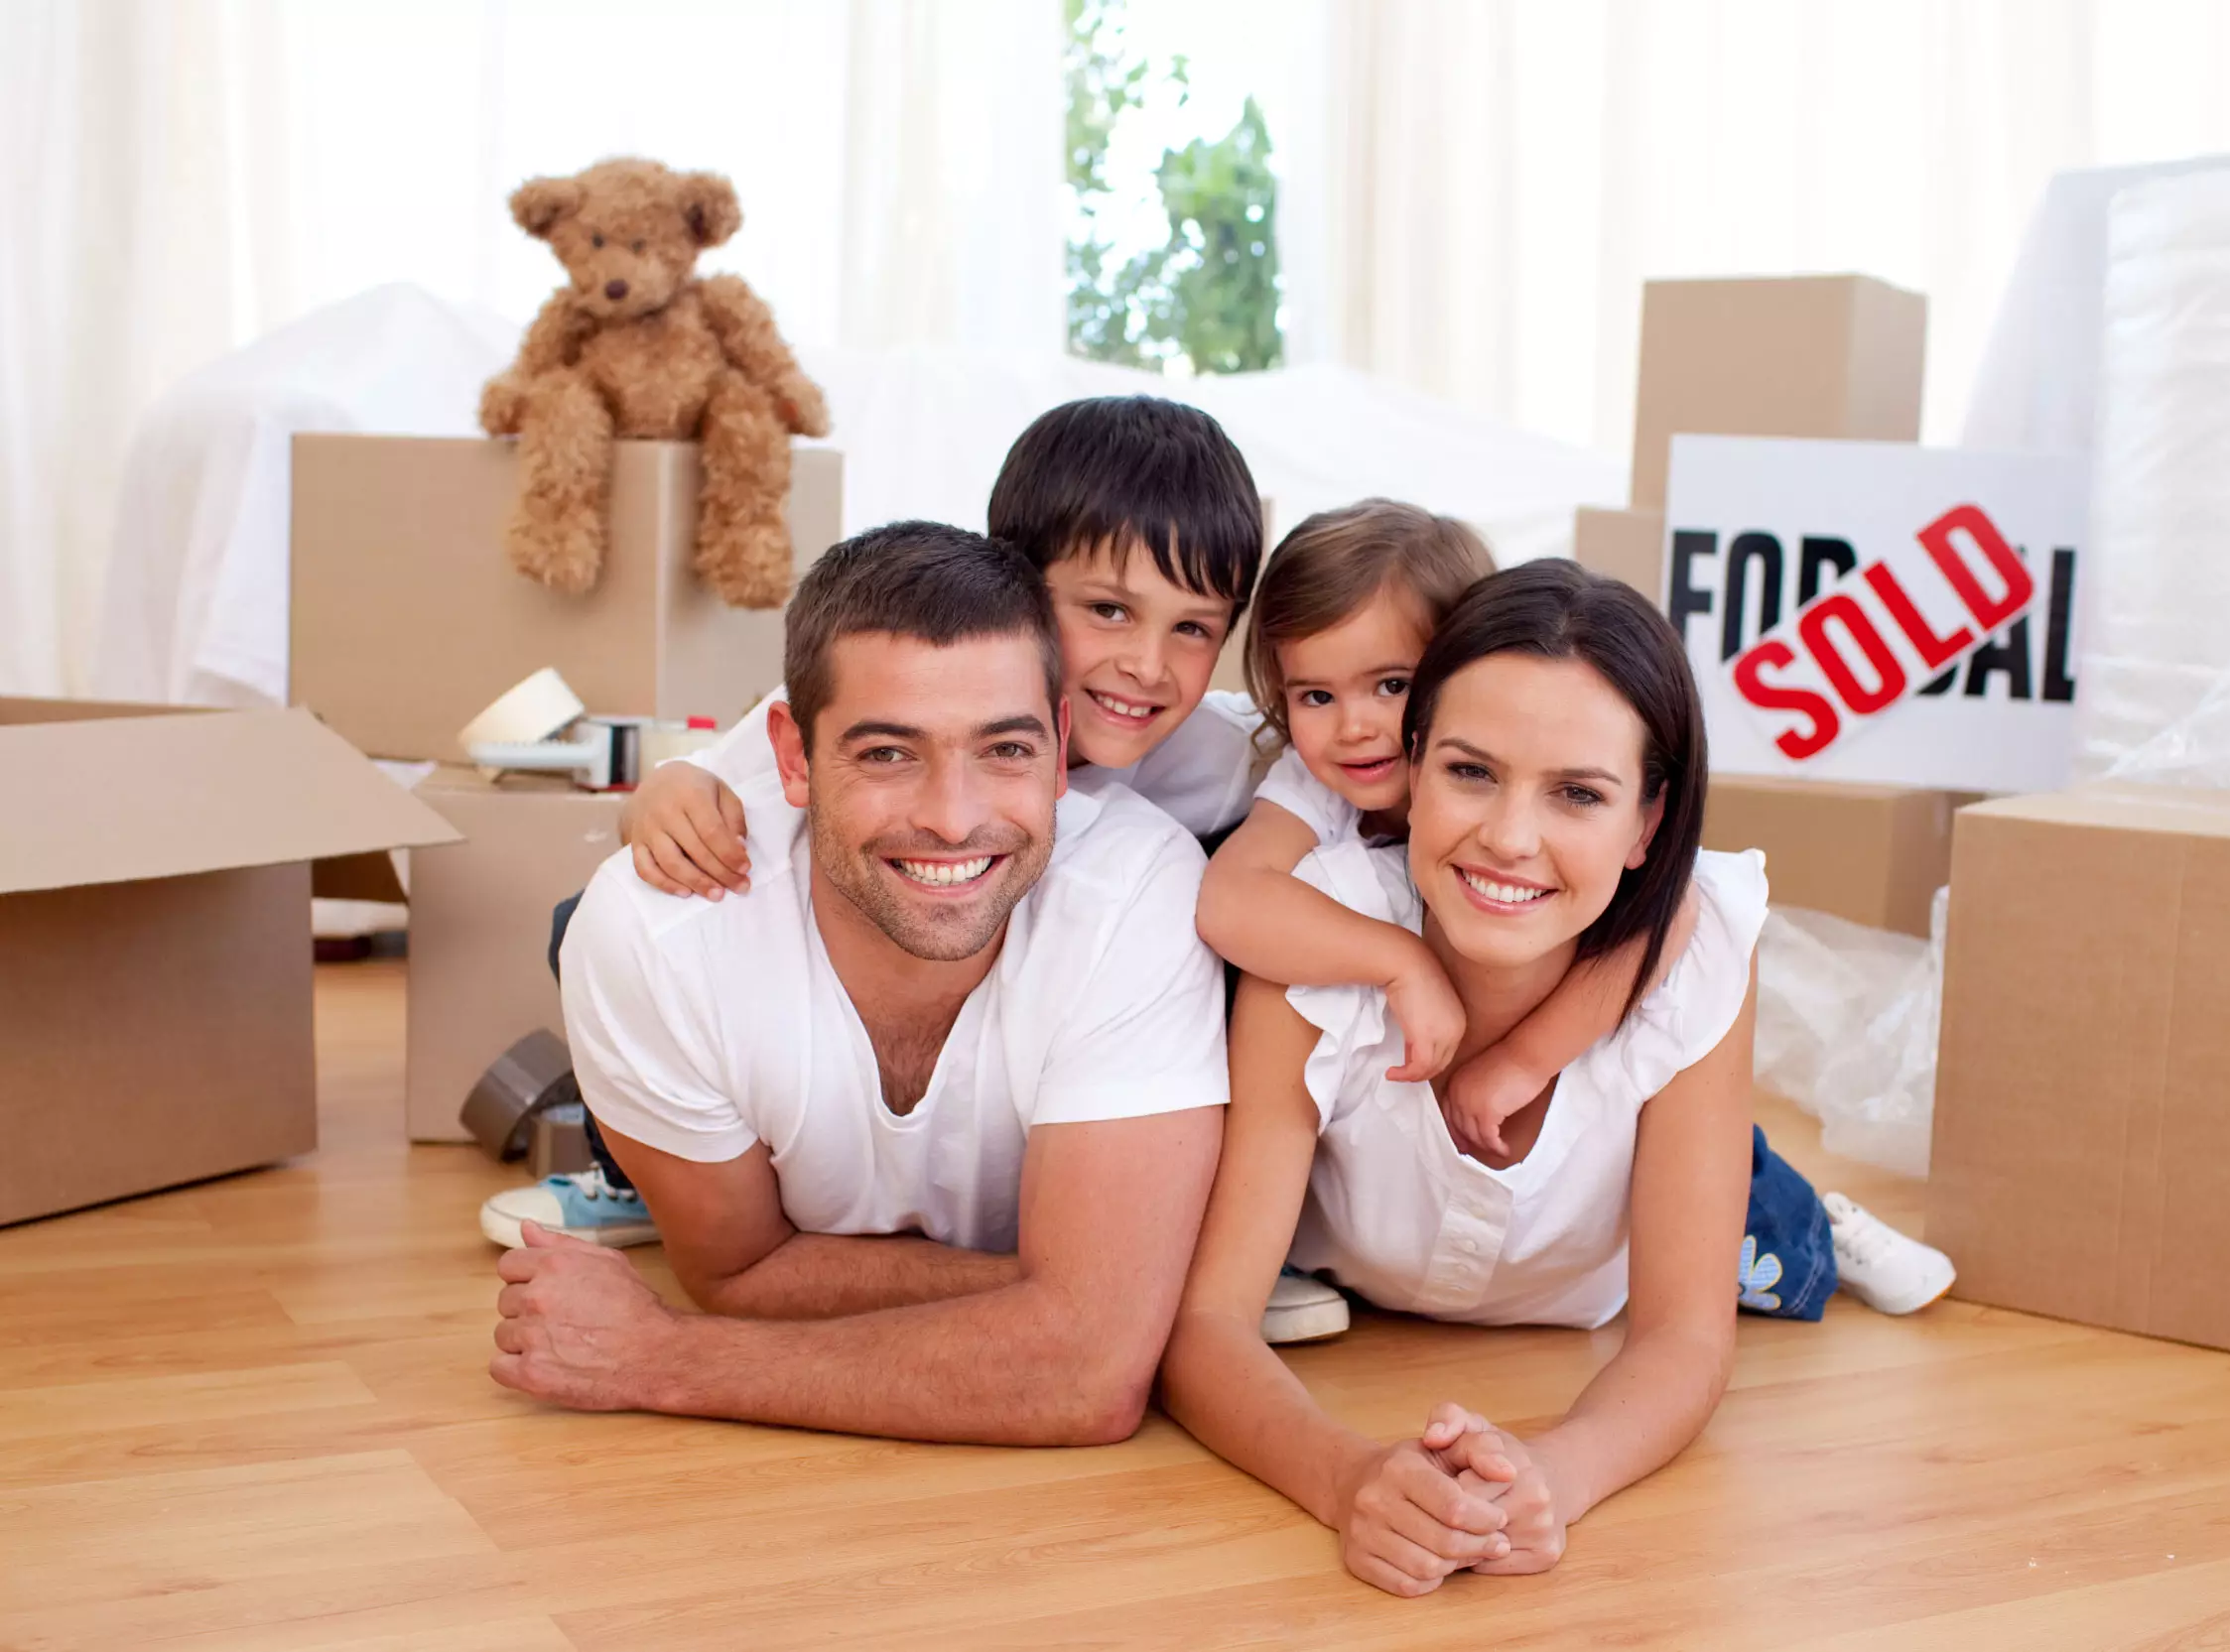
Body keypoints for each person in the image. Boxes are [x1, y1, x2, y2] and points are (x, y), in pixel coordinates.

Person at [1159, 560, 1947, 1596]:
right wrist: (1347, 1478)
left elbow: (1681, 1337)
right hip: (1369, 1290)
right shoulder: (1317, 940)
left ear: (1647, 826)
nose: (1510, 837)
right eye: (1469, 772)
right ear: (1408, 767)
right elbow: (1206, 1326)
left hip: (1603, 1290)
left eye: (1577, 793)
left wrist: (1553, 1474)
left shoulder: (1697, 952)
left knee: (1769, 1243)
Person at [488, 522, 1227, 1445]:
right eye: (887, 753)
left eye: (1004, 750)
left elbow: (1086, 1373)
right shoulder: (658, 927)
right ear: (792, 756)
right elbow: (739, 1274)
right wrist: (1098, 1297)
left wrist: (660, 1355)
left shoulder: (1141, 883)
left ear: (1060, 739)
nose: (953, 820)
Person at [479, 395, 1270, 1233]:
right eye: (1108, 610)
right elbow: (699, 790)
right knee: (589, 920)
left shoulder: (1218, 760)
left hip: (1078, 1012)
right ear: (1011, 586)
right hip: (897, 960)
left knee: (1236, 940)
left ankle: (1227, 1216)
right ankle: (645, 1173)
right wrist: (665, 792)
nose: (1146, 665)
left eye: (1193, 628)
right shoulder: (873, 698)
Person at [1197, 504, 1950, 1325]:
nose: (1357, 726)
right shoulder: (1314, 787)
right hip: (1423, 1146)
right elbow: (1233, 898)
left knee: (1752, 1215)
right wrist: (1397, 959)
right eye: (1315, 693)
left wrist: (1524, 1061)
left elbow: (1668, 931)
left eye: (1393, 685)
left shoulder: (1522, 770)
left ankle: (1828, 1231)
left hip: (1601, 1081)